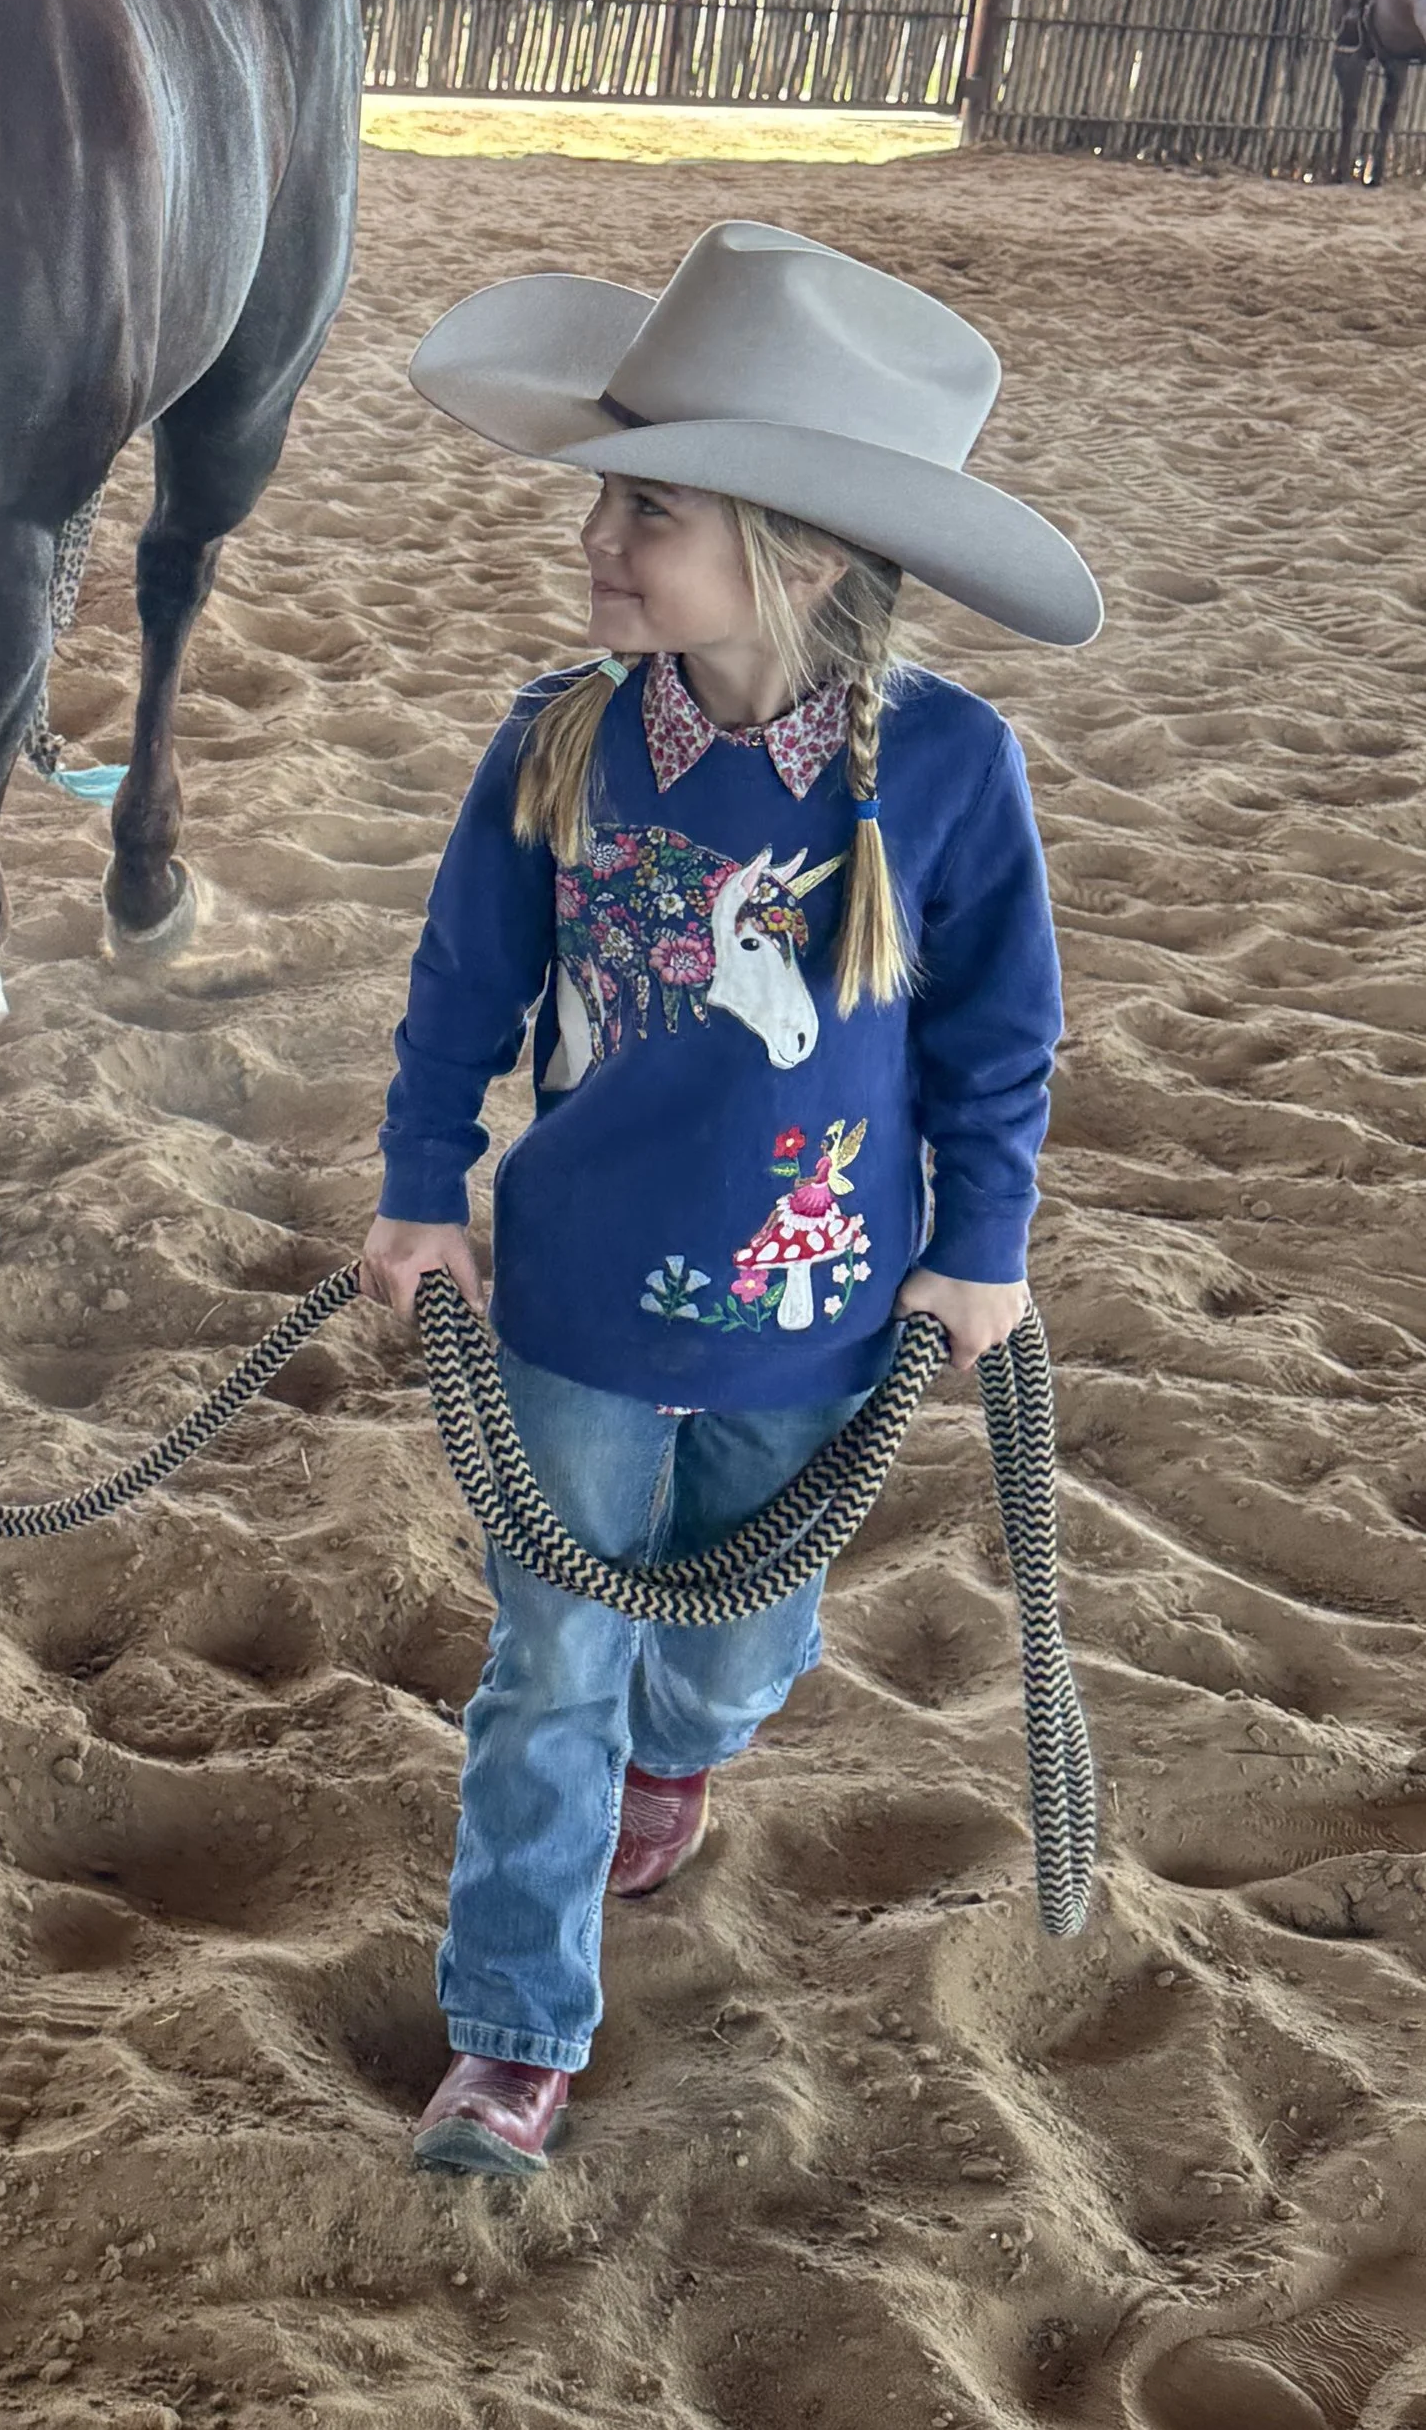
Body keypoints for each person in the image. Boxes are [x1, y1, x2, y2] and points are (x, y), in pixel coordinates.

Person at [359, 218, 1101, 2178]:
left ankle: (690, 1740)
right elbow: (463, 984)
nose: (598, 541)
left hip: (819, 1304)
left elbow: (992, 1039)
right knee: (546, 1670)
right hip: (574, 1299)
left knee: (734, 1626)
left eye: (650, 510)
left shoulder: (943, 773)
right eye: (608, 497)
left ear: (793, 552)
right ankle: (512, 2038)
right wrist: (422, 1185)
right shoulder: (561, 742)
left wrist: (979, 1244)